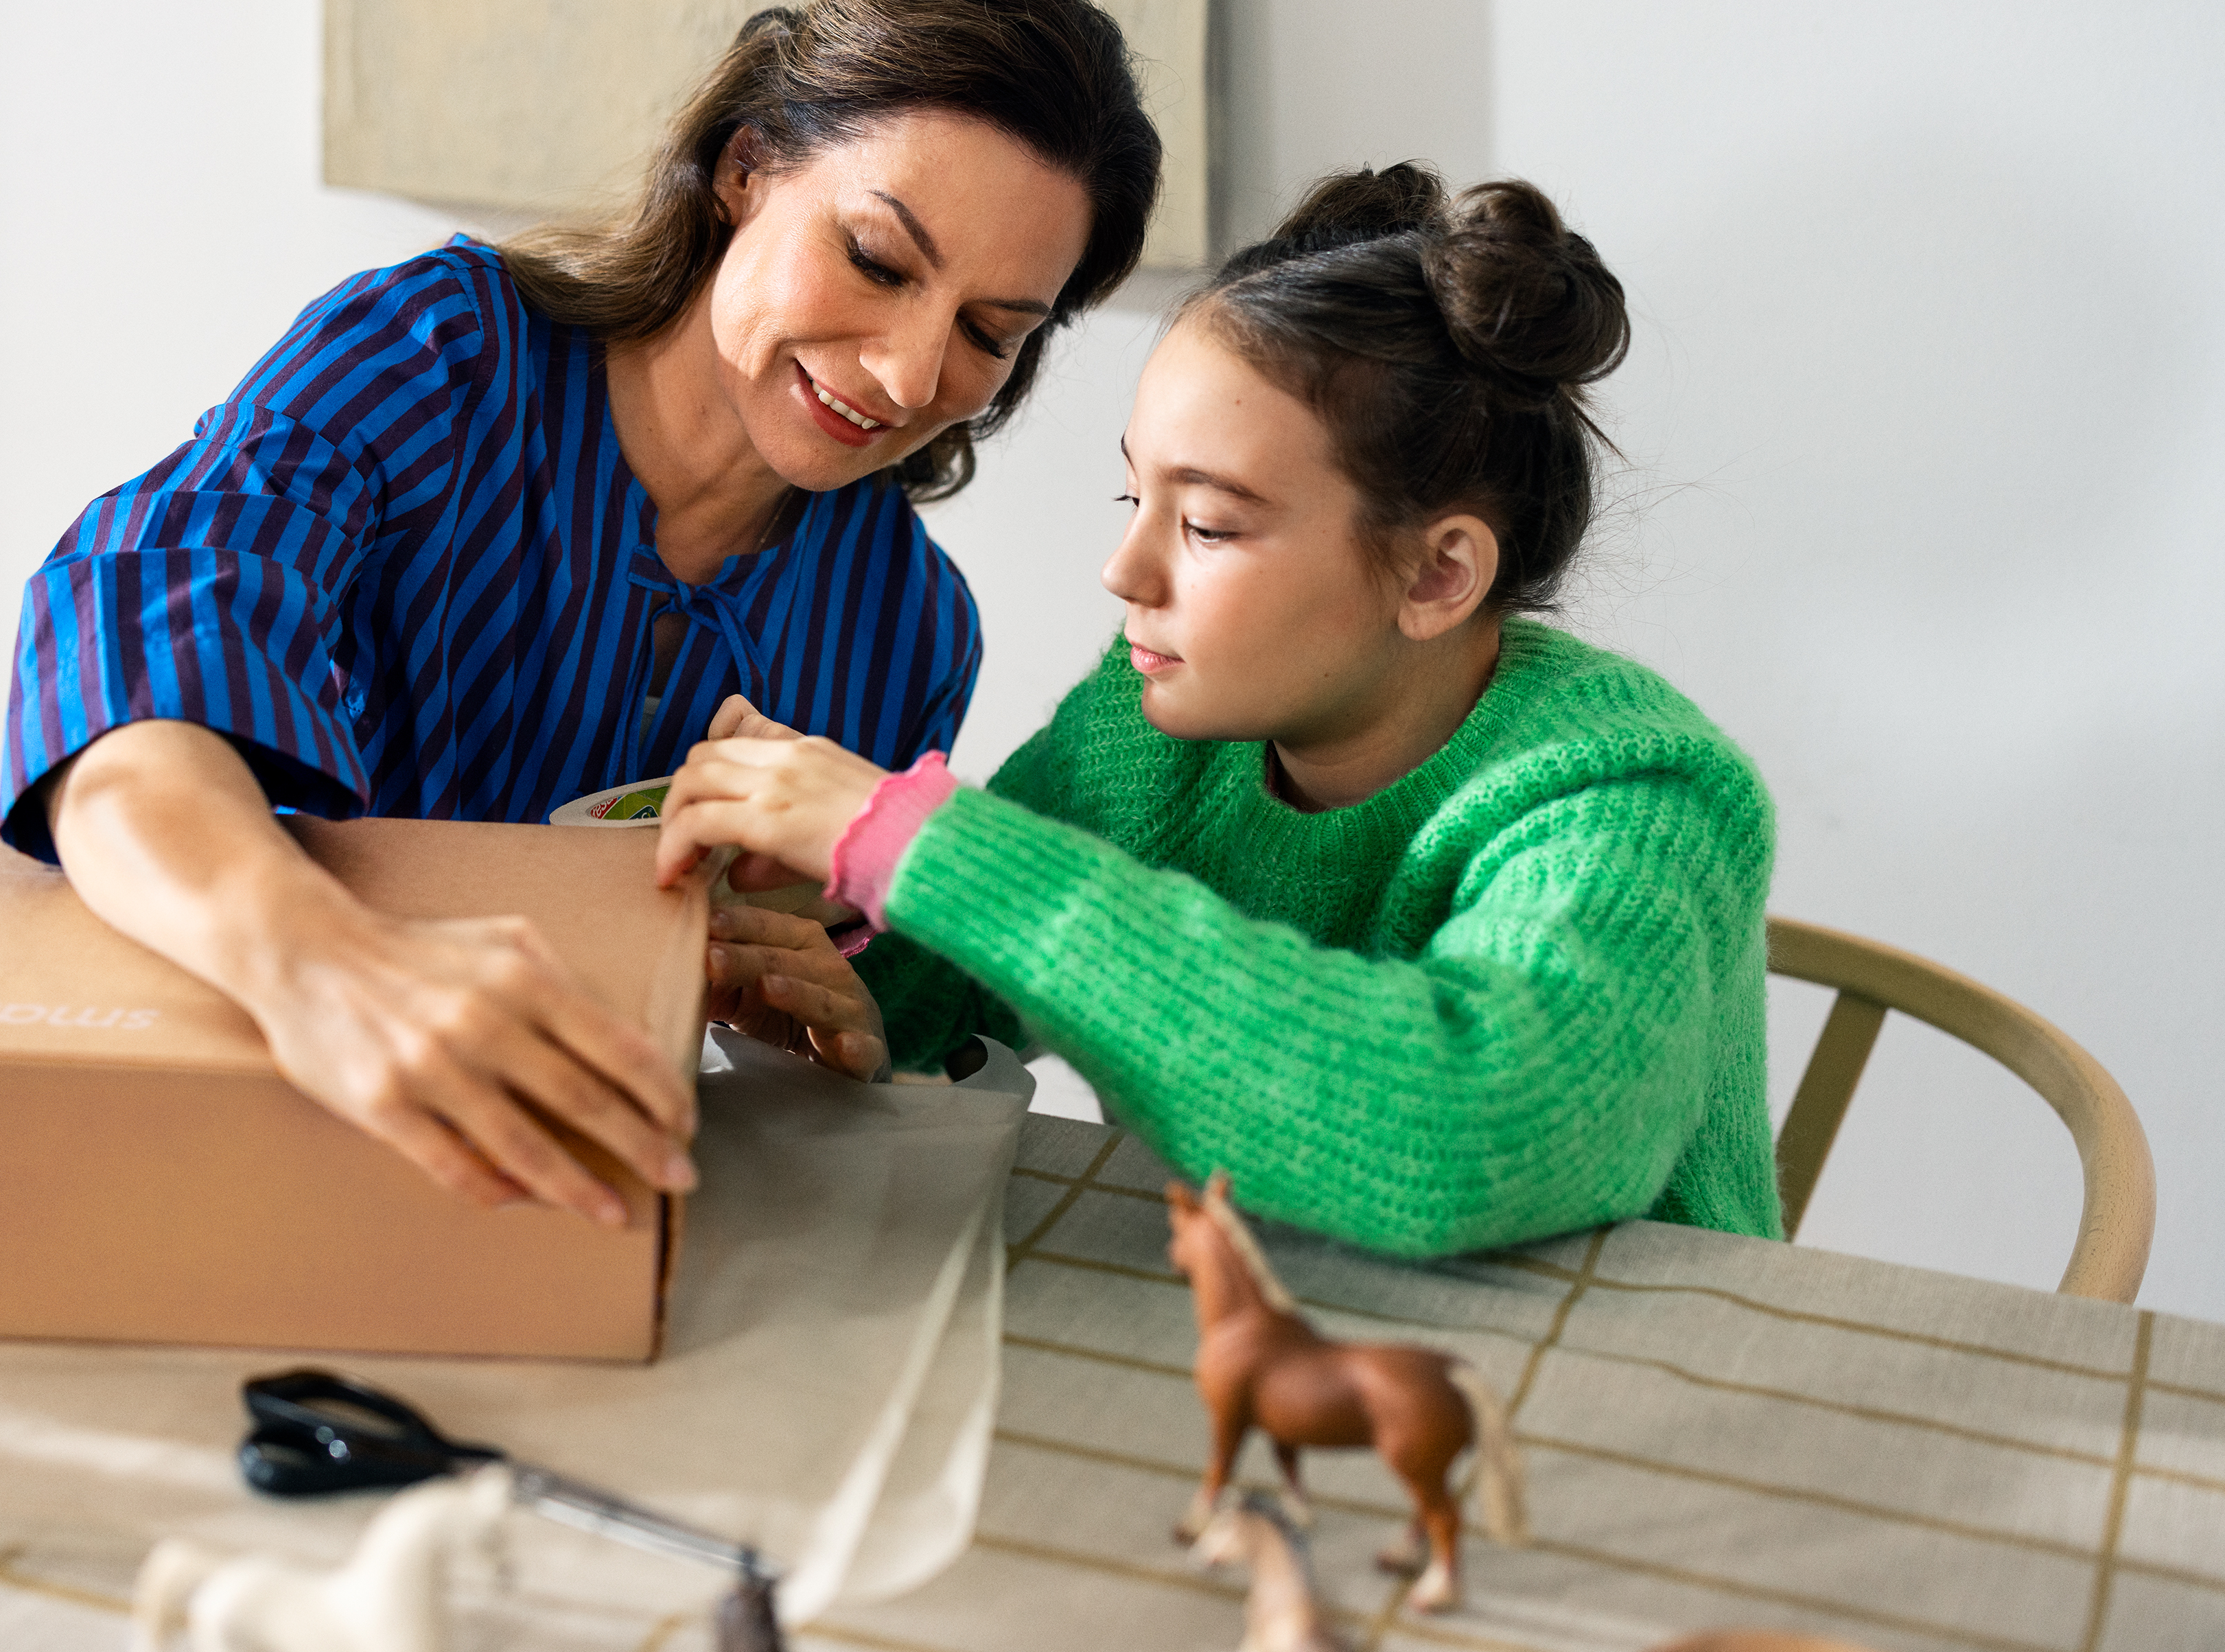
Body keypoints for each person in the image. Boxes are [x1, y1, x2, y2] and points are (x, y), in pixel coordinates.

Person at [0, 0, 1162, 1229]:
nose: (905, 374)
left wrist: (815, 1031)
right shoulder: (429, 363)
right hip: (243, 1146)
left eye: (988, 335)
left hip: (564, 1221)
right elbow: (129, 697)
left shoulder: (906, 637)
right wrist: (331, 972)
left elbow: (744, 1041)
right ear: (748, 168)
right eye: (878, 262)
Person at [655, 164, 1783, 1258]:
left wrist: (915, 840)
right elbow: (944, 987)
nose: (1123, 570)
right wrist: (824, 978)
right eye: (1134, 493)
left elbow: (1470, 1134)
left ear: (1440, 575)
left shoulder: (1633, 797)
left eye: (1208, 526)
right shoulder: (1151, 732)